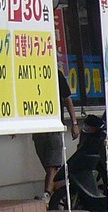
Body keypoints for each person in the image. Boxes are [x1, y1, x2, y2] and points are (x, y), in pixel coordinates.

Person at [32, 68, 80, 202]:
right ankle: (62, 197)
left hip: (54, 126)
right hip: (37, 129)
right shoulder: (31, 73)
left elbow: (67, 99)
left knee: (52, 166)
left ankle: (46, 196)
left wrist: (74, 123)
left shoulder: (55, 74)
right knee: (50, 169)